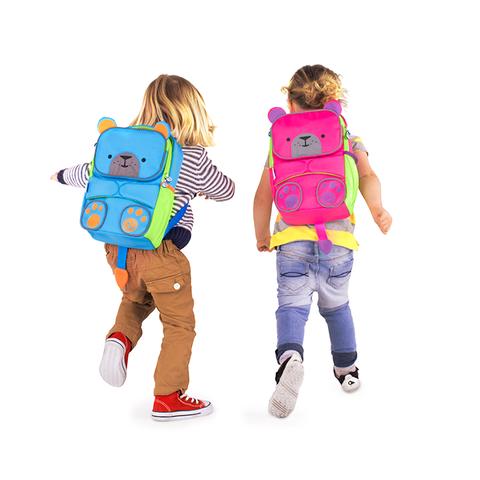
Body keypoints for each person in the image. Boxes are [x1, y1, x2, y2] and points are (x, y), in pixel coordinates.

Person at [52, 74, 234, 420]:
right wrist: (201, 188)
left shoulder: (122, 147)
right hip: (162, 253)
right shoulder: (192, 156)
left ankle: (120, 338)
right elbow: (226, 190)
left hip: (118, 250)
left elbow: (86, 173)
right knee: (179, 323)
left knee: (136, 299)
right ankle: (168, 397)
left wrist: (59, 175)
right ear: (192, 111)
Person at [253, 65, 392, 418]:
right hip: (339, 241)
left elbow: (263, 194)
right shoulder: (349, 138)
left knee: (291, 306)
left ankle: (290, 358)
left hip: (292, 240)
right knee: (337, 306)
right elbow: (368, 176)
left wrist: (262, 235)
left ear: (290, 102)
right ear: (335, 100)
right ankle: (347, 370)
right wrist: (377, 209)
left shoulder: (280, 141)